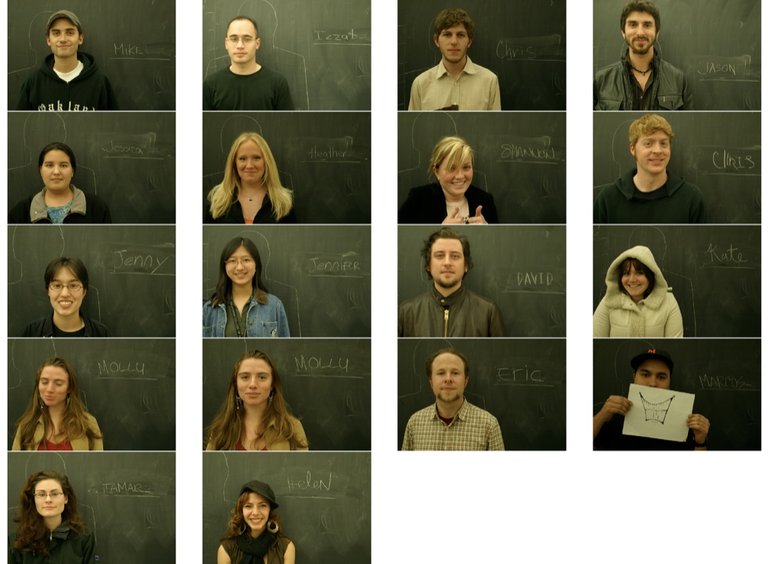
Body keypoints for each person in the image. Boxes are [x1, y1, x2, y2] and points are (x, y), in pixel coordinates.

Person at [594, 114, 707, 223]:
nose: (658, 150)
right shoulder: (607, 200)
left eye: (663, 143)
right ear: (632, 149)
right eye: (648, 143)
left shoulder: (692, 199)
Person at [593, 348, 710, 449]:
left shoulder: (684, 421)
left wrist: (700, 441)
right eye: (645, 374)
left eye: (661, 377)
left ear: (669, 381)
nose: (653, 383)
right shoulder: (614, 411)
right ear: (634, 377)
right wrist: (601, 416)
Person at [398, 228, 504, 337]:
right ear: (428, 265)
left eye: (455, 256)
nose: (447, 262)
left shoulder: (488, 312)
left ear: (466, 265)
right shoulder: (405, 313)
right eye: (439, 255)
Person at [594, 1, 692, 110]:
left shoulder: (678, 81)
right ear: (623, 32)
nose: (640, 32)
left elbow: (689, 121)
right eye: (633, 24)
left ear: (657, 33)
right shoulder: (601, 81)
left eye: (647, 25)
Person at [402, 348, 504, 450]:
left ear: (465, 381)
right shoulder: (414, 424)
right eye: (441, 373)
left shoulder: (489, 426)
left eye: (455, 373)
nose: (448, 379)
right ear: (431, 382)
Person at [206, 350, 308, 451]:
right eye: (245, 377)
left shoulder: (292, 428)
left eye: (262, 377)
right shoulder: (220, 430)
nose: (253, 385)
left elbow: (304, 462)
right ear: (236, 384)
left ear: (272, 385)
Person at [16, 10, 117, 111]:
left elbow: (114, 120)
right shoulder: (34, 83)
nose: (63, 39)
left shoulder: (99, 82)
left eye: (70, 33)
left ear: (80, 38)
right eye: (56, 33)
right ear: (48, 40)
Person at [408, 8, 500, 110]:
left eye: (460, 35)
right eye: (447, 34)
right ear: (436, 41)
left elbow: (495, 121)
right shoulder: (420, 84)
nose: (454, 42)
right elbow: (413, 121)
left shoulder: (489, 81)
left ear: (469, 41)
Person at [398, 136, 498, 224]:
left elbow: (499, 238)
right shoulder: (418, 200)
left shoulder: (486, 201)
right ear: (437, 171)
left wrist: (488, 230)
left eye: (466, 167)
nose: (459, 176)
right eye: (451, 168)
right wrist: (440, 231)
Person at [203, 237, 290, 337]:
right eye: (232, 260)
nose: (239, 267)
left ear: (256, 265)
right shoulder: (209, 309)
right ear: (224, 266)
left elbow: (285, 343)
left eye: (246, 260)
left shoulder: (274, 306)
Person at [204, 16, 293, 110]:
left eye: (247, 39)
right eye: (234, 39)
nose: (240, 46)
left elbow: (287, 119)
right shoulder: (211, 85)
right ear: (226, 43)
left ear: (257, 43)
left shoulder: (277, 84)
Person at [12, 358, 103, 451]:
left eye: (58, 384)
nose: (49, 389)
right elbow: (14, 460)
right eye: (44, 382)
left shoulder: (88, 424)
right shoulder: (26, 426)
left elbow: (99, 460)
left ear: (69, 388)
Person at [9, 142, 112, 224]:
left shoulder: (97, 209)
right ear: (40, 170)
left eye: (63, 165)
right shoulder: (20, 212)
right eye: (49, 165)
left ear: (72, 171)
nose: (56, 172)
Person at [593, 245, 683, 337]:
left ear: (651, 275)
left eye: (639, 273)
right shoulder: (609, 301)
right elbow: (595, 342)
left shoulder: (668, 301)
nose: (632, 279)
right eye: (626, 273)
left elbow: (675, 344)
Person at [205, 133, 295, 223]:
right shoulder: (217, 202)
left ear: (266, 162)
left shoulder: (283, 203)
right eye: (242, 159)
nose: (249, 165)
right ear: (234, 163)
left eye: (256, 158)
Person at [10, 470, 96, 563]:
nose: (48, 500)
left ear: (65, 498)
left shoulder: (83, 538)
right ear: (33, 499)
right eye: (41, 494)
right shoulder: (17, 541)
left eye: (54, 494)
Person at [22, 257, 112, 337]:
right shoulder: (31, 333)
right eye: (57, 285)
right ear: (48, 291)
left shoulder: (101, 334)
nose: (65, 294)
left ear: (84, 291)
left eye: (73, 285)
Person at [217, 480, 296, 564]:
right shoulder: (227, 549)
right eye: (248, 506)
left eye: (262, 505)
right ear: (241, 511)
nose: (255, 512)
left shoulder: (286, 547)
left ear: (270, 510)